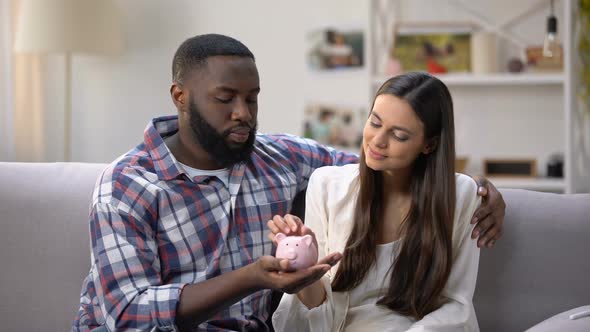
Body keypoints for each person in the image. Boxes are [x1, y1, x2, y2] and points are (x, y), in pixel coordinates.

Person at [72, 34, 505, 331]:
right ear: (180, 97)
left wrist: (478, 188)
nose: (243, 112)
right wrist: (252, 279)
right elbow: (128, 316)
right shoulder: (127, 186)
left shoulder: (281, 157)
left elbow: (380, 163)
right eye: (226, 99)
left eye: (252, 97)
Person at [270, 72, 488, 331]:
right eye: (374, 122)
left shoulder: (461, 195)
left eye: (399, 135)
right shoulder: (327, 185)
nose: (378, 141)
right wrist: (304, 272)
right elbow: (320, 309)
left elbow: (456, 306)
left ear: (429, 145)